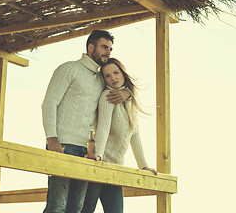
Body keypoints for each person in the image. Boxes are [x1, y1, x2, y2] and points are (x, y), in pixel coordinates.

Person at [42, 30, 130, 213]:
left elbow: (119, 83)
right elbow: (49, 103)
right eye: (104, 47)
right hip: (63, 145)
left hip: (86, 152)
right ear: (91, 47)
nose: (108, 52)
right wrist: (52, 139)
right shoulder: (68, 68)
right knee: (57, 206)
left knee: (76, 208)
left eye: (110, 49)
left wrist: (127, 93)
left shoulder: (100, 79)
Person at [81, 58, 157, 213]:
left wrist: (143, 166)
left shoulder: (129, 100)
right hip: (100, 164)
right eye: (107, 76)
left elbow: (134, 135)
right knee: (85, 211)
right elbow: (103, 127)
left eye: (116, 73)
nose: (113, 78)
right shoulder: (107, 96)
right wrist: (99, 156)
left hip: (116, 168)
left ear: (123, 73)